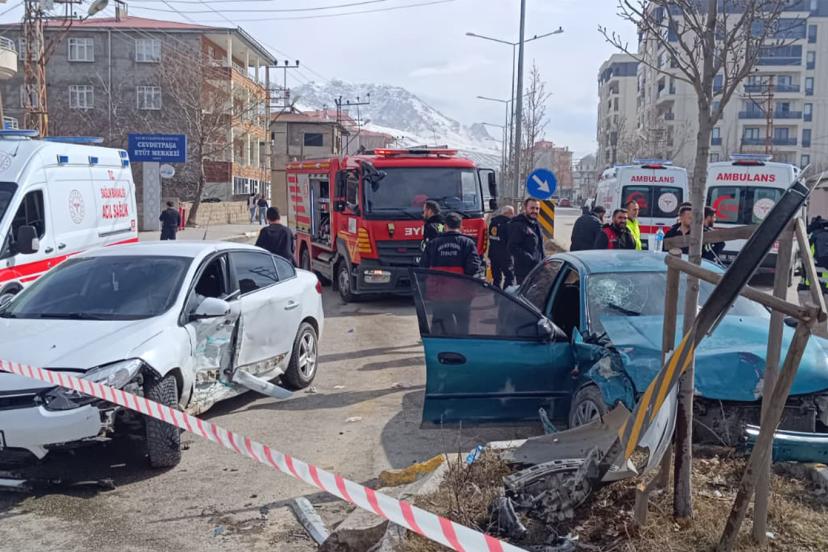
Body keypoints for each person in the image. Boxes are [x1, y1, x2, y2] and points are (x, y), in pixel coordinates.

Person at [420, 212, 481, 334]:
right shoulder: (468, 243)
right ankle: (461, 344)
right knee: (463, 325)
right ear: (461, 226)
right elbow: (473, 267)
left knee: (440, 325)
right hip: (462, 293)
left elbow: (423, 267)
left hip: (439, 294)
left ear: (445, 226)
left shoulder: (433, 244)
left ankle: (441, 344)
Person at [508, 198, 544, 284]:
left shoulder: (536, 224)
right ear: (525, 208)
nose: (535, 211)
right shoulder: (518, 225)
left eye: (537, 208)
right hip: (524, 272)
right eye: (532, 208)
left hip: (537, 269)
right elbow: (512, 247)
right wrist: (530, 260)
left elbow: (540, 246)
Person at [487, 205, 515, 288]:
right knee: (509, 276)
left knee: (496, 277)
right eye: (512, 213)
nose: (513, 216)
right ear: (508, 213)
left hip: (493, 253)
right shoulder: (509, 224)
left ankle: (496, 293)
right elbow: (511, 240)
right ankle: (506, 292)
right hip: (505, 254)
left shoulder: (493, 222)